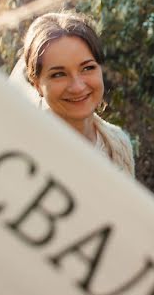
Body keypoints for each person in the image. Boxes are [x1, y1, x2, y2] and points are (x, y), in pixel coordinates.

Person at [12, 11, 135, 176]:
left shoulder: (119, 144)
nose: (77, 87)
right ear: (37, 85)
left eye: (87, 68)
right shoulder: (23, 150)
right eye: (58, 74)